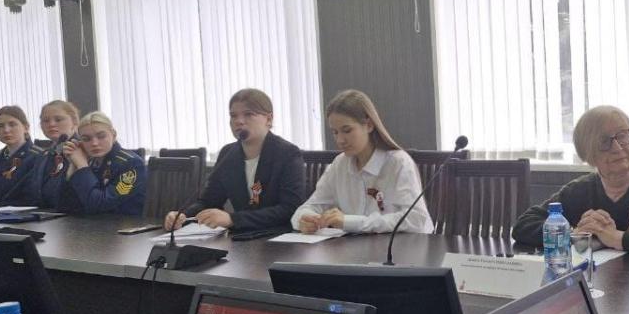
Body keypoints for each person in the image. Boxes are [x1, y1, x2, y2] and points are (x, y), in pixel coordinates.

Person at [512, 106, 629, 255]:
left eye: (623, 136)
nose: (618, 148)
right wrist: (574, 234)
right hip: (599, 284)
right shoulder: (580, 190)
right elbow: (524, 226)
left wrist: (615, 238)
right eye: (605, 141)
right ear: (587, 154)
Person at [290, 90, 432, 234]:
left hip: (403, 245)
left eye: (347, 130)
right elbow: (306, 208)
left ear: (369, 125)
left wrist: (351, 222)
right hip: (357, 246)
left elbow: (416, 219)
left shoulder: (398, 162)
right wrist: (306, 219)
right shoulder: (339, 164)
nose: (340, 140)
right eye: (335, 132)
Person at [165, 89, 305, 232]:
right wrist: (183, 216)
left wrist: (233, 219)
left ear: (269, 119)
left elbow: (290, 208)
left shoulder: (287, 153)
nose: (239, 121)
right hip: (242, 237)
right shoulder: (228, 154)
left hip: (277, 236)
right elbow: (209, 201)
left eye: (248, 114)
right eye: (233, 116)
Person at [54, 111, 146, 215]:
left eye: (101, 136)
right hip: (91, 223)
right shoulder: (91, 160)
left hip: (123, 222)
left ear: (113, 135)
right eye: (86, 139)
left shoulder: (131, 163)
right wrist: (73, 167)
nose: (94, 143)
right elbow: (63, 206)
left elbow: (100, 205)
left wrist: (82, 166)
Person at [0, 106, 45, 206]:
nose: (6, 130)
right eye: (0, 126)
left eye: (12, 124)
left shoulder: (38, 158)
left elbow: (32, 198)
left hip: (20, 214)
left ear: (26, 128)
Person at [38, 100, 81, 210]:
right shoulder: (42, 156)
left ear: (74, 121)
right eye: (46, 121)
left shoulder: (83, 150)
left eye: (58, 119)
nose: (51, 124)